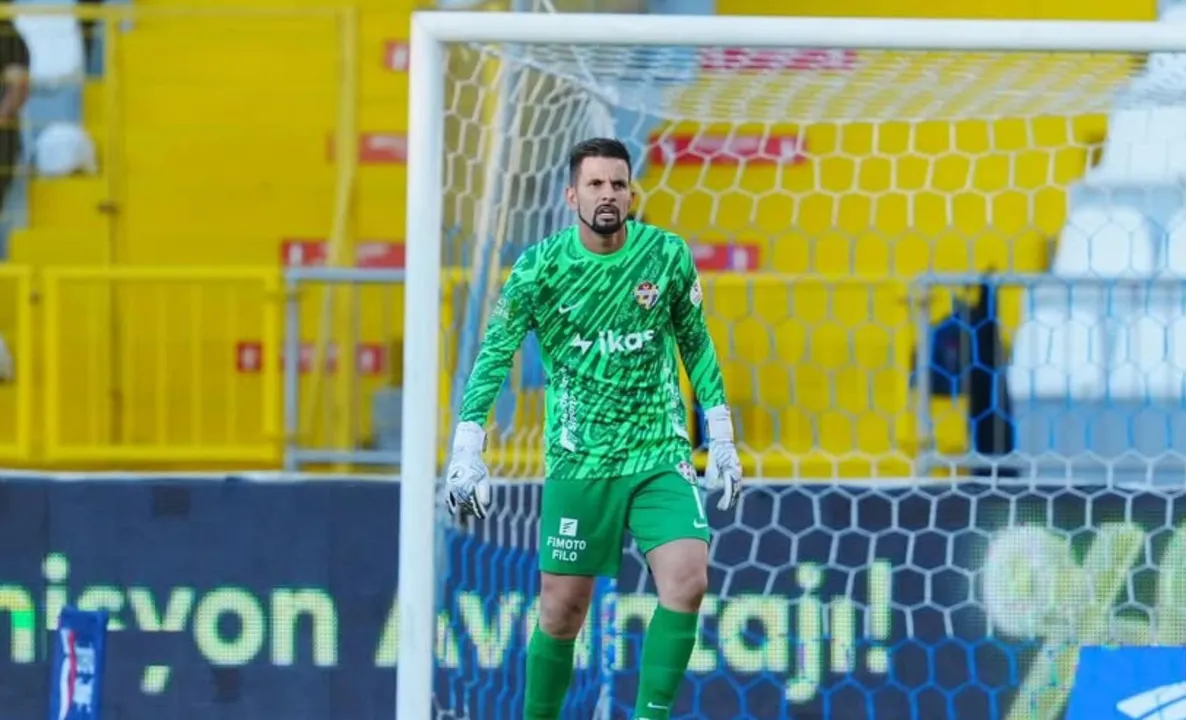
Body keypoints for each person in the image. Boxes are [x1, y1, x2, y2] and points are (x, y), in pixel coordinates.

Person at [443, 137, 742, 720]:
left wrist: (722, 437)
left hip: (659, 451)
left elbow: (697, 345)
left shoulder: (666, 256)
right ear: (571, 193)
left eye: (618, 184)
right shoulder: (540, 269)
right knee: (561, 612)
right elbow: (495, 353)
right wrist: (467, 447)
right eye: (597, 184)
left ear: (633, 192)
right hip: (579, 459)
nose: (609, 195)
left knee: (687, 580)